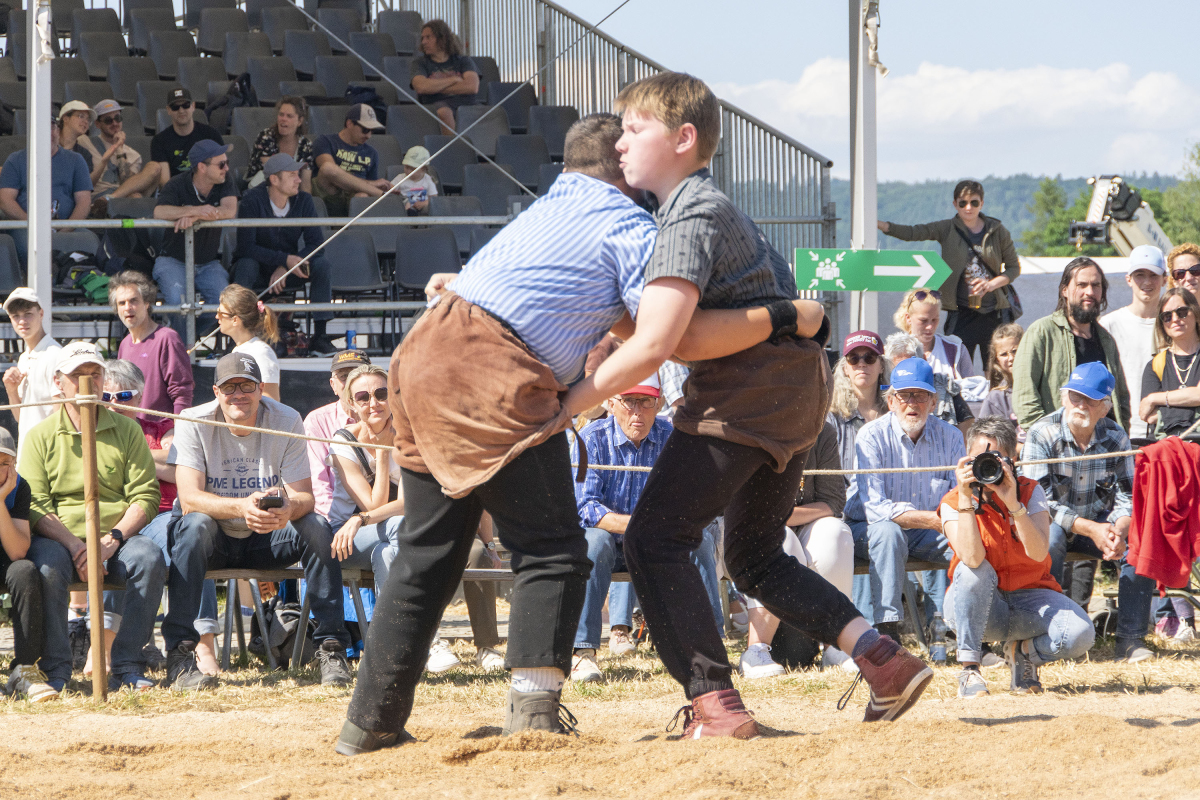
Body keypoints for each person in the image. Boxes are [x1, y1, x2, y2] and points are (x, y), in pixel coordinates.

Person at [336, 110, 828, 754]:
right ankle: (533, 715)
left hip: (422, 353)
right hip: (493, 370)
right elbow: (667, 339)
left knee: (430, 549)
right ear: (622, 168)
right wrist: (787, 314)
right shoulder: (629, 226)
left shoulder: (547, 207)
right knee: (553, 550)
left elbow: (620, 324)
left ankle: (368, 723)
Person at [611, 72, 930, 740]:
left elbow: (668, 339)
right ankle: (882, 659)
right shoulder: (713, 208)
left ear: (684, 137)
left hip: (744, 398)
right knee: (755, 556)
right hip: (793, 397)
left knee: (654, 538)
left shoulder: (690, 210)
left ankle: (716, 705)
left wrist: (576, 391)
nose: (620, 142)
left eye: (634, 128)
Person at [162, 353, 351, 690]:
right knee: (193, 526)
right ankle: (180, 655)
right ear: (216, 392)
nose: (239, 394)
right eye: (230, 386)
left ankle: (331, 647)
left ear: (261, 389)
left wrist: (286, 510)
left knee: (317, 527)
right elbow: (189, 499)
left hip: (268, 536)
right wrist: (242, 507)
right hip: (214, 538)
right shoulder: (193, 419)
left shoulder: (287, 418)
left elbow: (305, 498)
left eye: (247, 385)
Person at [19, 342, 164, 691]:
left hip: (116, 537)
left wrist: (112, 540)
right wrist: (75, 546)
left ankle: (127, 664)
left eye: (94, 374)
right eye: (77, 375)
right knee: (47, 567)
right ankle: (57, 670)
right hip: (59, 539)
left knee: (149, 557)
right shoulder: (39, 436)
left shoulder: (128, 430)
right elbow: (35, 502)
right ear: (59, 382)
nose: (88, 382)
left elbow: (146, 495)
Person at [568, 373, 724, 683]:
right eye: (629, 402)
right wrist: (643, 524)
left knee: (701, 541)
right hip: (611, 542)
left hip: (658, 541)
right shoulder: (591, 438)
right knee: (594, 541)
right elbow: (586, 507)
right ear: (612, 403)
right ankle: (583, 652)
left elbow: (691, 498)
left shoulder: (674, 437)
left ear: (660, 404)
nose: (637, 412)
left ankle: (710, 649)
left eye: (646, 402)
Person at [941, 416, 1094, 698]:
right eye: (979, 460)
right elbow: (972, 558)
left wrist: (1013, 503)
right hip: (979, 609)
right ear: (966, 460)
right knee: (974, 571)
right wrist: (966, 499)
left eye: (994, 460)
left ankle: (1022, 652)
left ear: (1012, 459)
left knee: (1080, 634)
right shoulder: (953, 501)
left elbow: (1037, 553)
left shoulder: (1030, 491)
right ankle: (969, 669)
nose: (986, 468)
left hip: (1030, 600)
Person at [1021, 362, 1154, 663]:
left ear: (1105, 407)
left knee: (1139, 541)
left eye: (1089, 399)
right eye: (1074, 396)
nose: (1079, 404)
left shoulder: (1116, 436)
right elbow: (1038, 503)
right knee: (1051, 537)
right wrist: (1092, 529)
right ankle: (1052, 636)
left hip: (1098, 525)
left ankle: (1130, 641)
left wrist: (1118, 530)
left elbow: (1129, 496)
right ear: (1063, 396)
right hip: (1054, 524)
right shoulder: (1042, 433)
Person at [102, 359, 222, 675]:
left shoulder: (161, 427)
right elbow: (168, 465)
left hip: (164, 513)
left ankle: (204, 642)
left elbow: (182, 464)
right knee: (125, 550)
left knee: (191, 539)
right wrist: (158, 463)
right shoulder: (95, 434)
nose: (114, 405)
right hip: (117, 518)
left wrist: (134, 458)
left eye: (123, 397)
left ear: (140, 397)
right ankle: (104, 646)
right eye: (105, 397)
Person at [846, 357, 964, 642]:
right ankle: (888, 634)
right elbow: (874, 509)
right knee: (888, 532)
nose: (912, 403)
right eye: (904, 395)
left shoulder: (951, 436)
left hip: (930, 529)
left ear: (934, 402)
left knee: (972, 540)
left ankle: (967, 629)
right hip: (869, 529)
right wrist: (935, 520)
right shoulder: (870, 436)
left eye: (920, 395)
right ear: (890, 401)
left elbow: (958, 496)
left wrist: (948, 523)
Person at [733, 420, 857, 678]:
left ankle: (836, 647)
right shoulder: (748, 426)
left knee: (836, 534)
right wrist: (776, 519)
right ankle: (756, 651)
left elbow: (833, 502)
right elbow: (747, 508)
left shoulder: (823, 431)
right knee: (781, 539)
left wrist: (779, 516)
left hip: (802, 522)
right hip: (749, 533)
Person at [878, 179, 1021, 368]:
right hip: (961, 311)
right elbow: (914, 232)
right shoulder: (947, 228)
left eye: (974, 202)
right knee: (955, 365)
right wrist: (879, 224)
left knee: (996, 367)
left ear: (982, 203)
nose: (968, 208)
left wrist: (990, 284)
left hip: (993, 311)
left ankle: (996, 398)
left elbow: (1013, 268)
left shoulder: (997, 231)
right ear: (955, 204)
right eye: (963, 203)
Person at [1012, 256, 1130, 432]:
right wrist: (1049, 438)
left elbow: (1120, 399)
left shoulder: (1106, 340)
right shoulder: (1041, 332)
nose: (1089, 291)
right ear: (1065, 290)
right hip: (1056, 447)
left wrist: (1119, 436)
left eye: (1096, 285)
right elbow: (1024, 397)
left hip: (1103, 446)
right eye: (1082, 285)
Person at [232, 152, 336, 354]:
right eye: (292, 175)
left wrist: (287, 265)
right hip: (259, 268)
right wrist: (283, 259)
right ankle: (238, 336)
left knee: (321, 264)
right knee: (246, 264)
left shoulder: (304, 200)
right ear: (274, 179)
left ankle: (321, 337)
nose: (299, 180)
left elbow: (317, 244)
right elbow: (246, 247)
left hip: (289, 270)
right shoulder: (252, 200)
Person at [152, 139, 238, 338]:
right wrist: (194, 210)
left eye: (226, 163)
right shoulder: (177, 183)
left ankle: (184, 340)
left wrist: (196, 216)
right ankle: (183, 348)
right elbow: (159, 211)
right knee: (177, 303)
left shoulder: (225, 180)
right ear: (201, 167)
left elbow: (230, 210)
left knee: (225, 305)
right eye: (221, 164)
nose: (226, 168)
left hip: (209, 262)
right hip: (173, 260)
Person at [0, 427, 58, 702]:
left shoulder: (18, 487)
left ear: (13, 466)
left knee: (25, 571)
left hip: (6, 558)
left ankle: (24, 669)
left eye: (4, 463)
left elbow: (17, 550)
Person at [0, 115, 92, 265]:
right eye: (42, 128)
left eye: (52, 128)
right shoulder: (15, 160)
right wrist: (34, 225)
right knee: (34, 250)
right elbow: (5, 200)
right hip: (26, 227)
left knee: (91, 244)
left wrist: (65, 229)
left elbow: (84, 201)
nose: (48, 133)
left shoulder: (76, 160)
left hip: (67, 227)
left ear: (58, 131)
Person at [1100, 245, 1167, 444]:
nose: (1147, 282)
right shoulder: (1108, 325)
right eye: (1140, 275)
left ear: (1165, 279)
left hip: (1165, 428)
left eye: (1153, 275)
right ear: (1128, 279)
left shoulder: (1175, 324)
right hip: (1119, 428)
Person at [111, 270, 194, 418]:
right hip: (133, 433)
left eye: (134, 301)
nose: (128, 307)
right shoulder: (124, 344)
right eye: (121, 303)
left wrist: (179, 431)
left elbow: (182, 392)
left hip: (163, 435)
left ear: (147, 303)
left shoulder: (167, 338)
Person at [118, 88, 228, 198]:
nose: (181, 110)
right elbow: (165, 183)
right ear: (168, 110)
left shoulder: (211, 134)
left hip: (208, 190)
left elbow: (222, 167)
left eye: (186, 105)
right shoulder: (160, 140)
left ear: (193, 106)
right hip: (176, 194)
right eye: (175, 107)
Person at [306, 349, 372, 519]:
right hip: (335, 517)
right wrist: (336, 525)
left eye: (357, 375)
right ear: (333, 385)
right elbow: (318, 484)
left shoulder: (388, 417)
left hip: (379, 514)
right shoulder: (317, 421)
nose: (351, 382)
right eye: (344, 376)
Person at [2, 288, 63, 454]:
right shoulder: (24, 358)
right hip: (29, 453)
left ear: (41, 313)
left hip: (49, 454)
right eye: (16, 316)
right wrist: (12, 391)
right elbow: (22, 418)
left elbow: (61, 418)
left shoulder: (55, 355)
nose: (22, 321)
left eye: (28, 313)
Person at [1139, 287, 1200, 440]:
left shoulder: (1154, 397)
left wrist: (1154, 398)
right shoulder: (1155, 365)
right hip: (1167, 453)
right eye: (1167, 316)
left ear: (1196, 314)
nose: (1174, 319)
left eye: (1182, 312)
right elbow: (1149, 416)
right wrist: (1191, 403)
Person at [884, 332, 973, 433]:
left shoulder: (944, 385)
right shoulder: (881, 391)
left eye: (911, 367)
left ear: (924, 359)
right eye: (899, 369)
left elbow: (967, 425)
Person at [312, 104, 392, 217]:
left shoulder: (372, 153)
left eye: (371, 131)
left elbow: (367, 190)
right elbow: (328, 171)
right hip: (330, 193)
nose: (368, 135)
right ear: (349, 123)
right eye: (365, 130)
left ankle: (357, 232)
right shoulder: (325, 141)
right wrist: (373, 185)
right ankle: (384, 196)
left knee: (363, 196)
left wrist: (369, 185)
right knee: (328, 167)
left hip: (355, 197)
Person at [410, 19, 480, 132]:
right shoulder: (420, 63)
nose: (424, 42)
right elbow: (422, 87)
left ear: (442, 39)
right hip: (436, 105)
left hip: (466, 104)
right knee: (444, 112)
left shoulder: (463, 61)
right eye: (423, 38)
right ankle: (457, 148)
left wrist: (434, 87)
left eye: (428, 37)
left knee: (492, 113)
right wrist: (453, 79)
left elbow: (472, 86)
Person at [217, 284, 281, 401]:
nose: (217, 317)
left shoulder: (261, 352)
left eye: (221, 314)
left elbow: (272, 401)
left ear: (235, 320)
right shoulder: (239, 350)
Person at [245, 96, 315, 192]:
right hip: (260, 188)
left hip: (290, 191)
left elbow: (305, 183)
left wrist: (306, 203)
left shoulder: (306, 145)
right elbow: (272, 170)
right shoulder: (266, 137)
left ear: (299, 121)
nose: (283, 119)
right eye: (281, 114)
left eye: (289, 116)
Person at [80, 100, 145, 201]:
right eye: (108, 120)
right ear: (97, 124)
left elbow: (128, 184)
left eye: (117, 118)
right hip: (96, 198)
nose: (114, 123)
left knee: (136, 196)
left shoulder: (133, 155)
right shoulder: (85, 142)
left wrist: (119, 149)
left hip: (120, 198)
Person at [978, 323, 1025, 448]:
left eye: (1015, 351)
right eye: (1004, 354)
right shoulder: (995, 398)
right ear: (996, 359)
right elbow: (988, 441)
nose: (1011, 358)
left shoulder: (1042, 388)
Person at [55, 101, 100, 185]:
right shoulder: (48, 146)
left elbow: (84, 185)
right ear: (65, 118)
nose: (86, 121)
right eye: (81, 116)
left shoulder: (84, 155)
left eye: (88, 119)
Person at [395, 146, 438, 214]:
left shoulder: (428, 180)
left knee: (430, 207)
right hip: (404, 205)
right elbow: (391, 189)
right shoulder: (400, 178)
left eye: (412, 169)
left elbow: (433, 198)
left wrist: (424, 203)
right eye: (406, 167)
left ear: (423, 169)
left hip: (422, 207)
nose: (408, 171)